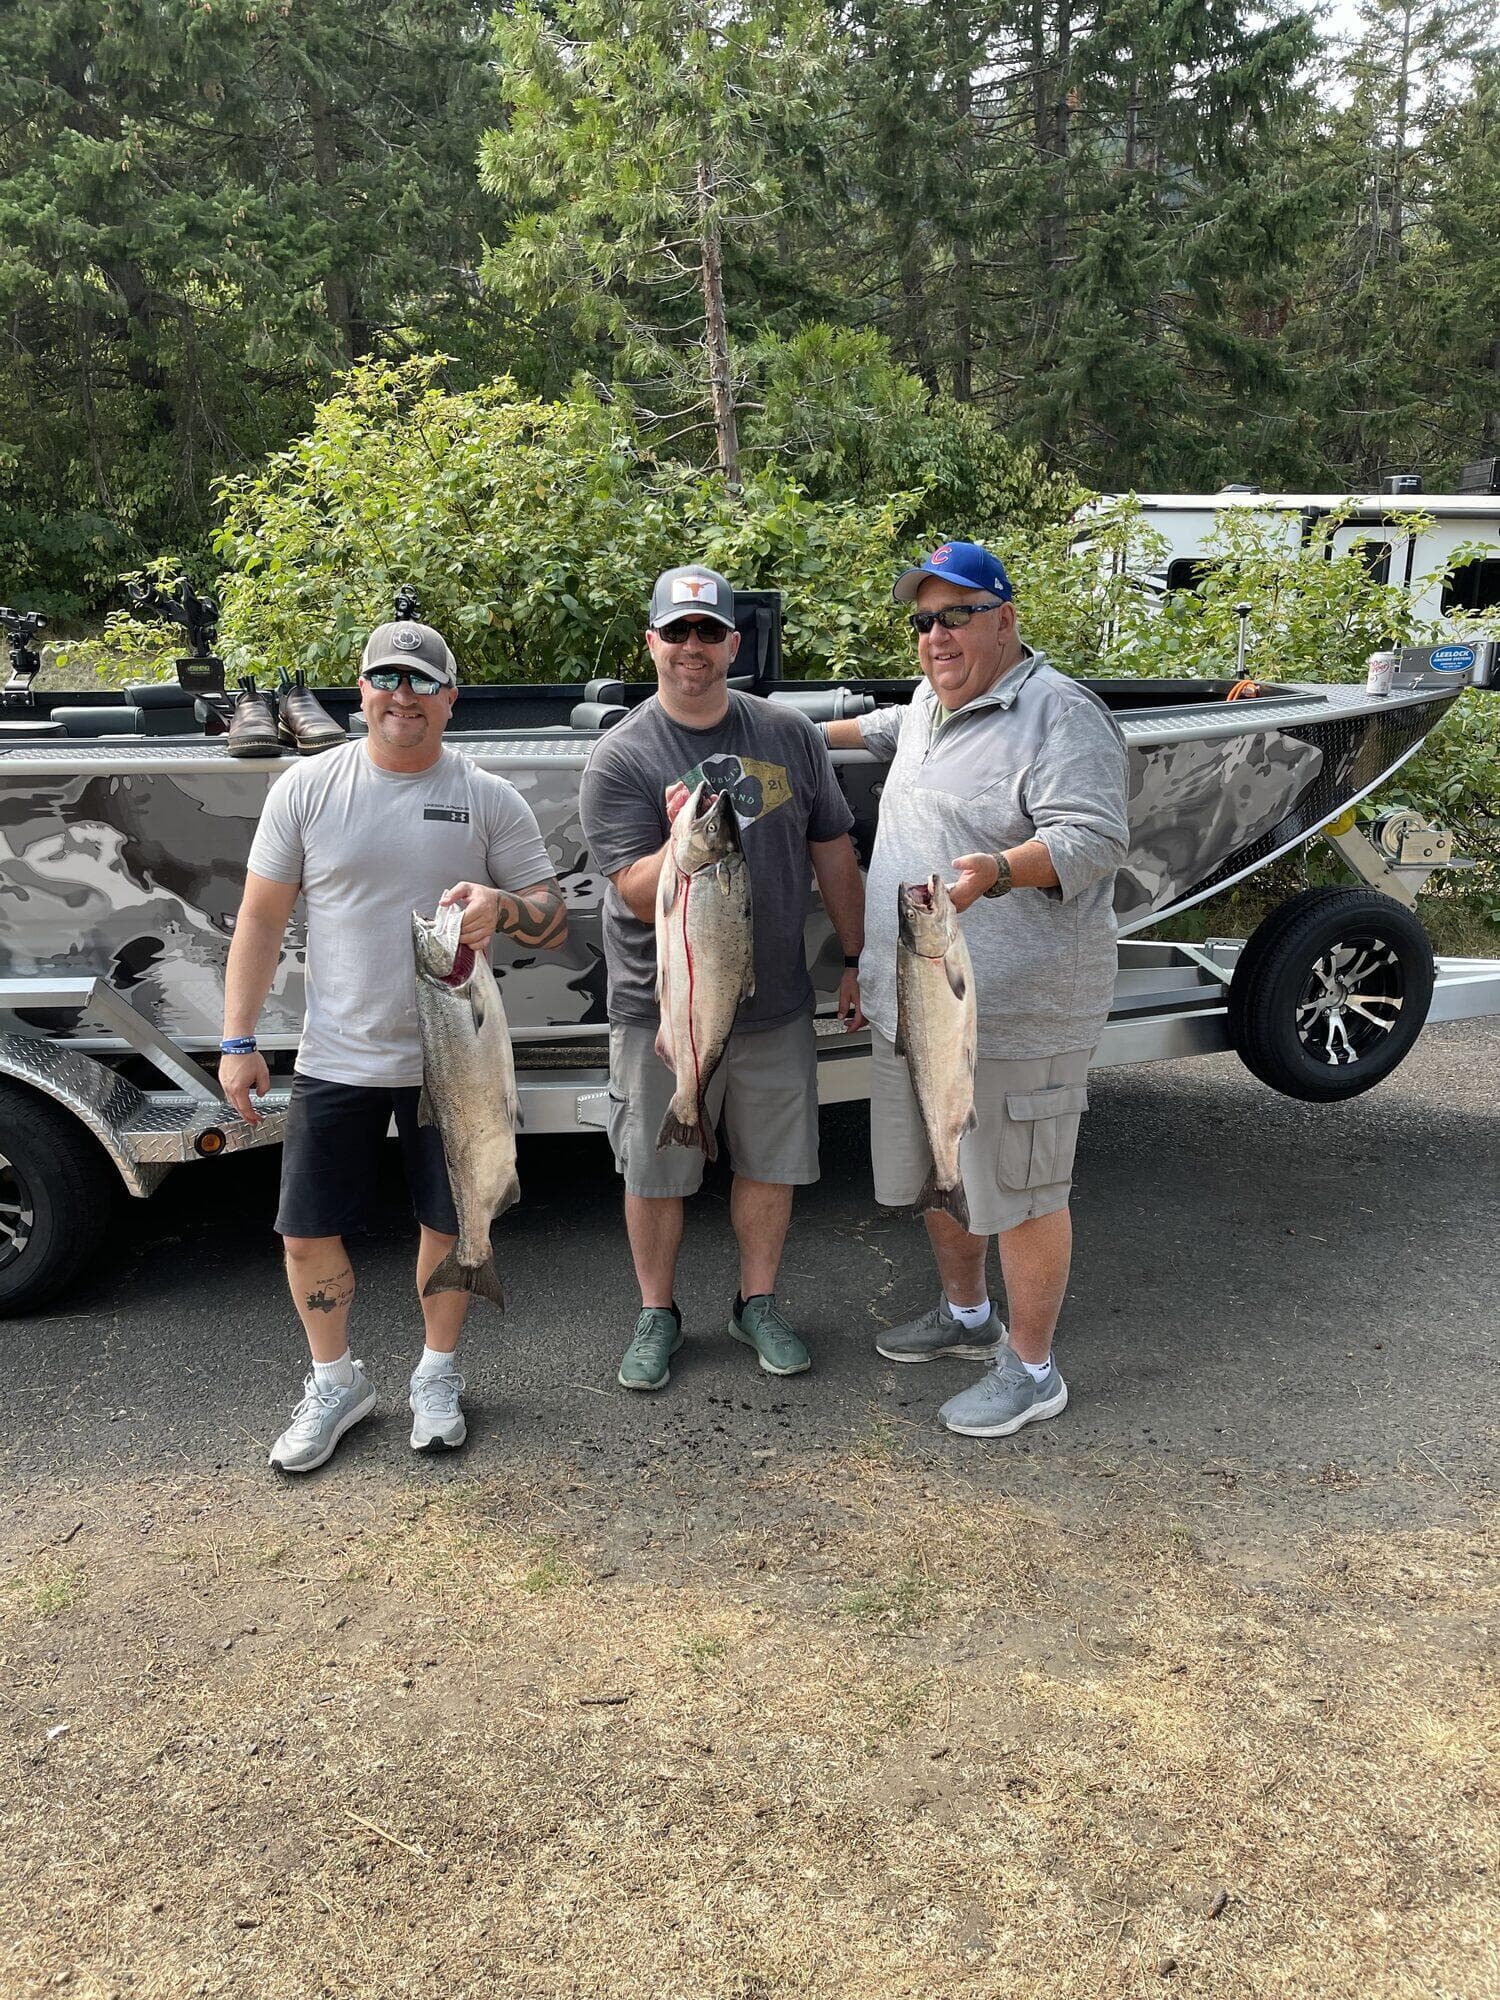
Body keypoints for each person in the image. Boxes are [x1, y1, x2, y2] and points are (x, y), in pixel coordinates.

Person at [219, 618, 569, 1473]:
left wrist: (504, 907)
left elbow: (553, 918)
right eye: (387, 679)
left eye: (422, 682)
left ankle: (437, 1376)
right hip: (335, 1056)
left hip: (455, 1065)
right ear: (362, 691)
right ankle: (336, 1383)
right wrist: (238, 1037)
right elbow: (261, 918)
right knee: (305, 1233)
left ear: (450, 697)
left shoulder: (490, 797)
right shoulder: (307, 787)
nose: (403, 696)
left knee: (449, 1225)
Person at [824, 541, 1128, 1439]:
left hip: (1019, 1011)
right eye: (923, 621)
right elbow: (868, 732)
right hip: (913, 1002)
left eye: (955, 615)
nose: (935, 636)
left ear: (1006, 616)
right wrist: (756, 727)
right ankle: (967, 1317)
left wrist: (996, 869)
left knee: (1024, 1190)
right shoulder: (926, 704)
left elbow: (1095, 840)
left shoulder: (1061, 714)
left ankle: (1033, 1370)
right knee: (938, 1171)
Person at [579, 564, 866, 1392]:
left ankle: (758, 1302)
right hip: (663, 1006)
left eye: (709, 633)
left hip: (772, 1000)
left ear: (734, 643)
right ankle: (657, 1312)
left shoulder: (789, 734)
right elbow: (634, 894)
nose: (693, 648)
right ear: (653, 644)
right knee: (655, 1167)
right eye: (678, 633)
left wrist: (854, 957)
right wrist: (686, 843)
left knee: (772, 1164)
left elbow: (832, 851)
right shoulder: (622, 756)